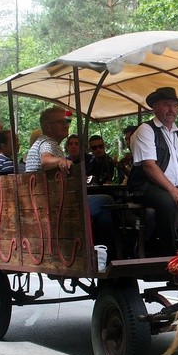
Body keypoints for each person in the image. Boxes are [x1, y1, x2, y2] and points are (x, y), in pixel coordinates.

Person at [26, 106, 117, 261]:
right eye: (61, 122)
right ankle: (105, 251)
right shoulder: (48, 142)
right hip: (53, 204)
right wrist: (62, 160)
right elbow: (45, 160)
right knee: (106, 201)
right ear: (48, 127)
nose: (66, 125)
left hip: (47, 200)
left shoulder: (45, 143)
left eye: (67, 121)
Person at [128, 87, 178, 256]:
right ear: (155, 107)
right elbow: (149, 166)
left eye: (175, 105)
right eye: (166, 105)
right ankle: (169, 256)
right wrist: (173, 190)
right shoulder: (146, 129)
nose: (171, 110)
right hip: (145, 186)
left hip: (176, 185)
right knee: (166, 202)